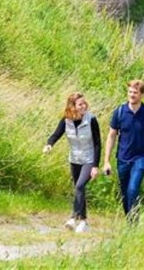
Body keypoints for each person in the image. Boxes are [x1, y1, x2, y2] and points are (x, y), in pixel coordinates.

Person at [103, 79, 144, 222]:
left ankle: (133, 224)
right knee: (125, 192)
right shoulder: (119, 112)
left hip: (141, 158)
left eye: (135, 93)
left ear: (142, 95)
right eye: (130, 92)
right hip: (123, 158)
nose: (132, 95)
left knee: (133, 189)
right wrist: (106, 161)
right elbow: (111, 135)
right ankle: (129, 219)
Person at [43, 92, 101, 233]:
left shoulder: (91, 119)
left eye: (84, 103)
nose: (84, 106)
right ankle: (83, 221)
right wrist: (49, 144)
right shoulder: (66, 120)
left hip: (88, 158)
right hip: (74, 159)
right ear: (73, 107)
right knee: (78, 189)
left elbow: (98, 143)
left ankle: (72, 218)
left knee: (80, 186)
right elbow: (56, 134)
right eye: (80, 104)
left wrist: (95, 165)